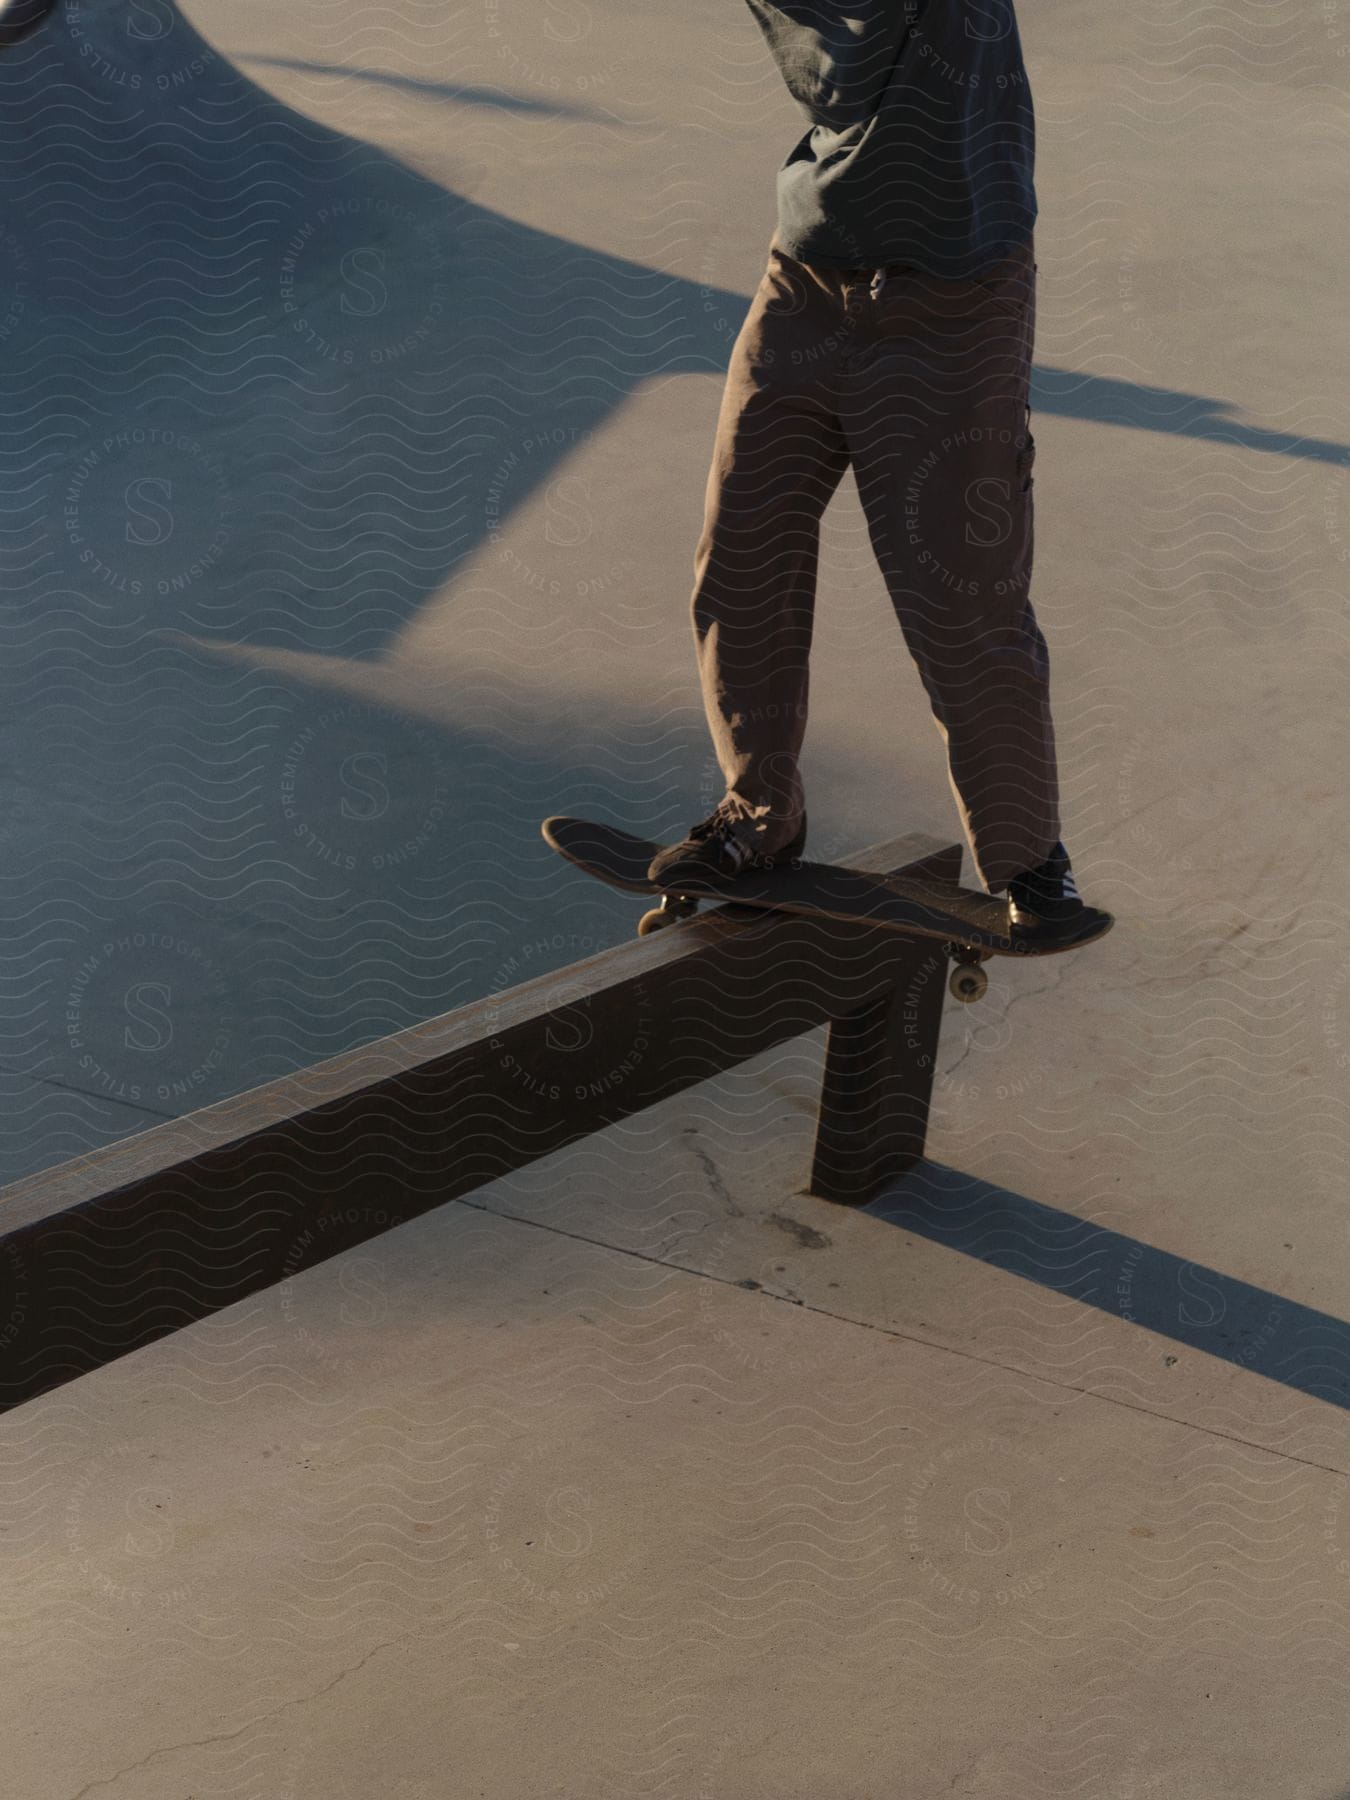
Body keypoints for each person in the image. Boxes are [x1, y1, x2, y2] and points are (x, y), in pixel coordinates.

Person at [649, 0, 1086, 930]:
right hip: (807, 274)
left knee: (961, 596)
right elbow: (837, 79)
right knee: (740, 550)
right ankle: (759, 815)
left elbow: (857, 57)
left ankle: (1030, 862)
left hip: (955, 296)